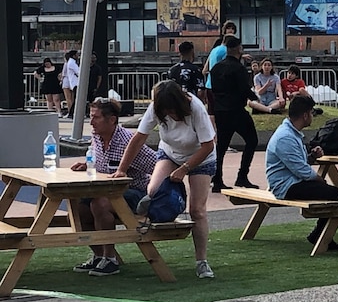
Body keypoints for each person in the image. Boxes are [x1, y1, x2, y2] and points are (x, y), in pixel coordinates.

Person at [113, 80, 217, 279]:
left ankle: (201, 261)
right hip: (170, 152)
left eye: (172, 110)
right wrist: (121, 169)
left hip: (201, 157)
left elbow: (208, 146)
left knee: (197, 210)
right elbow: (138, 138)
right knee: (153, 191)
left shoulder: (195, 108)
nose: (169, 115)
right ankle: (169, 206)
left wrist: (185, 168)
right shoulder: (156, 107)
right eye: (165, 111)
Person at [266, 95, 338, 250]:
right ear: (305, 115)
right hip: (286, 186)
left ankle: (321, 233)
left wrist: (312, 156)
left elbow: (298, 163)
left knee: (334, 194)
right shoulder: (285, 137)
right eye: (311, 113)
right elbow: (301, 170)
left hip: (290, 182)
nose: (312, 116)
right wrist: (319, 179)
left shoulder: (290, 132)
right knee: (336, 194)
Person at [70, 98, 158, 277]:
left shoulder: (128, 141)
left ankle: (110, 259)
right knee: (77, 207)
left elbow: (157, 165)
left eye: (96, 117)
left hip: (136, 192)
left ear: (112, 120)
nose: (91, 122)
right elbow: (100, 160)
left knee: (99, 204)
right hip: (106, 190)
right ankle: (99, 254)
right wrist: (88, 165)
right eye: (90, 116)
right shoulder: (96, 136)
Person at [210, 35, 259, 192]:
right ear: (239, 49)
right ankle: (242, 176)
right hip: (236, 110)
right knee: (252, 140)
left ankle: (217, 179)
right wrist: (255, 97)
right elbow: (244, 89)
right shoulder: (239, 68)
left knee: (221, 146)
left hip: (220, 111)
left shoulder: (216, 68)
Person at [61, 49, 80, 118]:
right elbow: (78, 71)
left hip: (73, 82)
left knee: (73, 99)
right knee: (74, 99)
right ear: (73, 56)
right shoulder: (71, 63)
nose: (78, 56)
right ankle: (71, 113)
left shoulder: (72, 62)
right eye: (77, 55)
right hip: (75, 83)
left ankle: (72, 113)